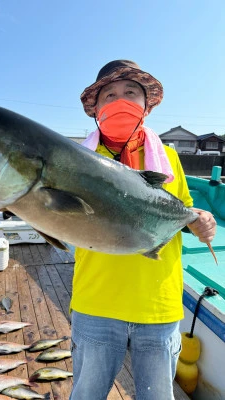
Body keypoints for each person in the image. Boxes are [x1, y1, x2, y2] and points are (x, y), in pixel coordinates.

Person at [69, 60, 216, 400]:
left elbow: (183, 214)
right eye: (110, 95)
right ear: (96, 108)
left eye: (130, 92)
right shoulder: (78, 160)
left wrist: (201, 221)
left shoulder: (167, 156)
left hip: (158, 305)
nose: (120, 100)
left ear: (146, 106)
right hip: (96, 303)